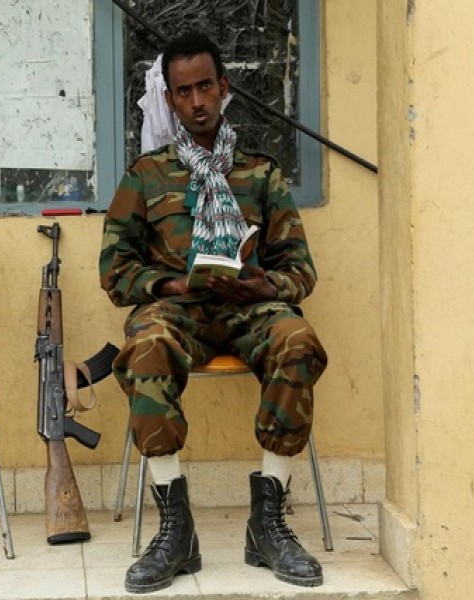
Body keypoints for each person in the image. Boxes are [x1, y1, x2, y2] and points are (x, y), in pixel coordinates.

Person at [99, 30, 328, 594]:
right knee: (145, 347)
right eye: (184, 91)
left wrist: (263, 283)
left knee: (298, 340)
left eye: (206, 86)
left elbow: (301, 269)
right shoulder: (145, 175)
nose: (197, 101)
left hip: (248, 309)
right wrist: (171, 281)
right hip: (178, 312)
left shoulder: (260, 174)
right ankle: (176, 529)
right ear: (171, 99)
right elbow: (115, 271)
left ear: (224, 88)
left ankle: (268, 521)